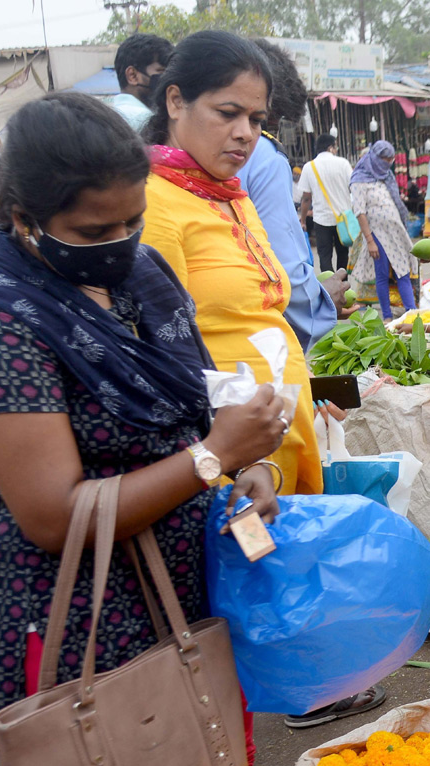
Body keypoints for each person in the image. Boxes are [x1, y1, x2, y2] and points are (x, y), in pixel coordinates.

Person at [0, 92, 288, 766]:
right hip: (66, 608)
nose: (116, 246)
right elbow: (53, 514)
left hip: (161, 595)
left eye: (130, 223)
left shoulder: (142, 275)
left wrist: (247, 470)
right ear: (20, 216)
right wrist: (214, 460)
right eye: (90, 233)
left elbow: (189, 416)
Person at [141, 31, 323, 497]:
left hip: (276, 455)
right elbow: (160, 352)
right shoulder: (154, 200)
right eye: (228, 113)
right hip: (223, 469)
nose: (245, 132)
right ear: (176, 101)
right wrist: (229, 461)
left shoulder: (232, 196)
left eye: (256, 119)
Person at [239, 39, 347, 352]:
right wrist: (320, 300)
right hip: (261, 334)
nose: (245, 134)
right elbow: (281, 263)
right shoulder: (265, 157)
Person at [350, 139, 418, 321]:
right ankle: (387, 316)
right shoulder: (358, 180)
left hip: (396, 232)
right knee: (382, 275)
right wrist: (370, 240)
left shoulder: (386, 176)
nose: (388, 163)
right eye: (385, 159)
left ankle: (411, 314)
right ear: (374, 157)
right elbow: (360, 212)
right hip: (377, 235)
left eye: (390, 159)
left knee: (403, 271)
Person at [297, 133, 354, 272]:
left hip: (321, 219)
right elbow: (353, 187)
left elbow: (306, 198)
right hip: (343, 219)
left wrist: (303, 220)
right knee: (343, 253)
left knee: (324, 256)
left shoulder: (309, 167)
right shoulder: (343, 163)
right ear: (331, 147)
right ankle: (344, 286)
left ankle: (329, 289)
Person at [109, 33, 173, 132]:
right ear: (132, 76)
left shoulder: (110, 115)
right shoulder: (145, 120)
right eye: (162, 72)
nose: (167, 80)